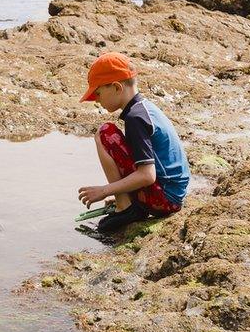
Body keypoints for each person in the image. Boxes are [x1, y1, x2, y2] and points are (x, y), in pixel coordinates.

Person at [77, 52, 190, 232]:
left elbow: (147, 175)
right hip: (173, 195)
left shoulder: (135, 118)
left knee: (105, 133)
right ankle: (126, 201)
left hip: (166, 200)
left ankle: (125, 208)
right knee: (108, 132)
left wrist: (104, 190)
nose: (97, 100)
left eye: (98, 93)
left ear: (116, 87)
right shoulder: (144, 108)